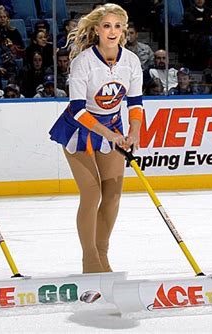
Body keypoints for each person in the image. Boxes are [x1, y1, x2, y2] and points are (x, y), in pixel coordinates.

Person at [49, 4, 143, 274]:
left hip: (112, 126)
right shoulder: (84, 62)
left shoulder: (131, 61)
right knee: (91, 194)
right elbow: (78, 109)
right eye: (106, 26)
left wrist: (133, 132)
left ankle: (103, 254)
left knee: (113, 195)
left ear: (123, 30)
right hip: (79, 129)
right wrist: (109, 134)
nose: (112, 31)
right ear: (97, 30)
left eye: (117, 26)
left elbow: (135, 102)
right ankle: (89, 258)